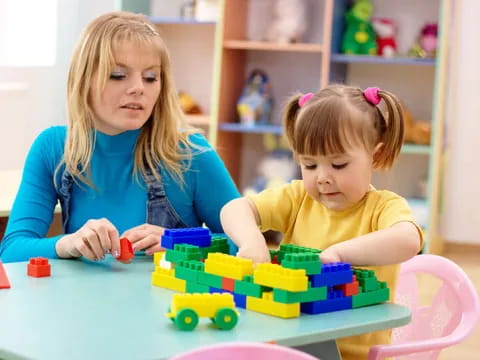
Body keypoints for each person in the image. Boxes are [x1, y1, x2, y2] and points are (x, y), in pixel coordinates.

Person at [0, 12, 239, 263]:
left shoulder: (191, 153)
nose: (138, 88)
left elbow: (244, 242)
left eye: (150, 78)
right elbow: (11, 251)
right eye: (117, 75)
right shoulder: (54, 148)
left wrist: (180, 243)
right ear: (84, 80)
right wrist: (67, 243)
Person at [220, 85, 423, 360]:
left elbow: (409, 239)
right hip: (290, 347)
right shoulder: (297, 197)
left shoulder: (383, 207)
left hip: (355, 355)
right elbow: (234, 208)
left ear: (374, 156)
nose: (322, 177)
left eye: (338, 165)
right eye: (309, 165)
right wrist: (252, 239)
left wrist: (341, 254)